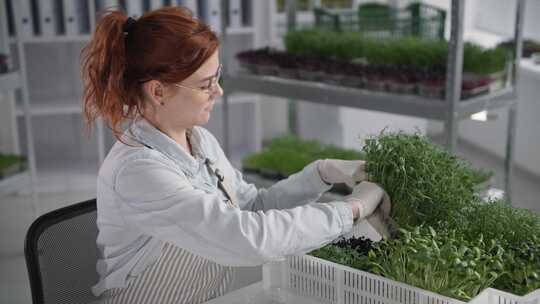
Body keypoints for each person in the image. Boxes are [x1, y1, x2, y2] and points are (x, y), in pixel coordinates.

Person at [82, 6, 390, 304]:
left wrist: (321, 174)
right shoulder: (138, 171)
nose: (219, 92)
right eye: (206, 85)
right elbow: (248, 238)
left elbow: (252, 207)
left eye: (217, 78)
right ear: (158, 91)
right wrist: (351, 210)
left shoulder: (198, 139)